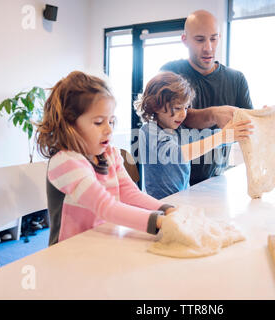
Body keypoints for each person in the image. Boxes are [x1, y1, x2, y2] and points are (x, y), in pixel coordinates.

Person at [36, 71, 176, 246]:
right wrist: (159, 222)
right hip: (70, 252)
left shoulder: (109, 153)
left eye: (110, 121)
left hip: (104, 241)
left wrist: (168, 210)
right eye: (98, 122)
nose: (109, 130)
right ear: (69, 124)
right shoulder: (65, 161)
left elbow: (129, 193)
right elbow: (105, 207)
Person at [161, 9, 253, 186]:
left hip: (218, 180)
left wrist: (261, 119)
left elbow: (245, 129)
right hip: (175, 182)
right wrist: (213, 114)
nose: (208, 47)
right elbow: (173, 117)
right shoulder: (169, 73)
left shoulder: (237, 79)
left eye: (213, 38)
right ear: (185, 40)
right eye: (200, 40)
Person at [134, 71, 253, 199]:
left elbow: (207, 138)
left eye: (186, 108)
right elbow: (177, 154)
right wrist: (221, 137)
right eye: (178, 108)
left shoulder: (178, 130)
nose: (183, 114)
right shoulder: (149, 131)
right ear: (155, 106)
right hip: (159, 205)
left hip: (181, 200)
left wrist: (236, 133)